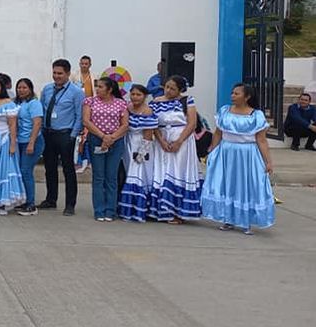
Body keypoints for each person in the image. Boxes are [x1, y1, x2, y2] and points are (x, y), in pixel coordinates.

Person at [201, 83, 276, 235]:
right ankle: (227, 218)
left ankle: (245, 221)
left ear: (247, 97)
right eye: (232, 93)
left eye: (237, 94)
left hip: (247, 155)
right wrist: (212, 151)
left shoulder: (256, 115)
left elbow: (261, 140)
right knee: (227, 184)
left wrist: (268, 161)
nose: (233, 96)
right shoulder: (225, 111)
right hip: (226, 152)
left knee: (245, 186)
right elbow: (218, 134)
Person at [149, 75, 201, 224]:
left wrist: (179, 141)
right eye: (167, 87)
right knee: (162, 172)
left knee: (178, 171)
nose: (168, 91)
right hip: (162, 140)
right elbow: (153, 123)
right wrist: (161, 140)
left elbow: (192, 123)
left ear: (180, 89)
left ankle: (178, 211)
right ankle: (162, 209)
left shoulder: (187, 101)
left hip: (182, 140)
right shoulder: (155, 102)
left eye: (172, 88)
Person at [39, 59, 85, 216]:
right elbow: (42, 110)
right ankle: (51, 199)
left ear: (68, 73)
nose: (56, 76)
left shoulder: (76, 92)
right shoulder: (47, 89)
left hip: (65, 134)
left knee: (68, 170)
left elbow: (79, 115)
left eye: (60, 73)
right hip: (48, 133)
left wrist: (73, 135)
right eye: (54, 73)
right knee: (49, 168)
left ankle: (70, 204)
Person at [82, 76, 129, 222]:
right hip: (97, 139)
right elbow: (86, 121)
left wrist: (111, 138)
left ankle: (110, 210)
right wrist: (103, 136)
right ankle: (99, 210)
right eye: (97, 86)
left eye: (101, 87)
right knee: (98, 176)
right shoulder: (90, 101)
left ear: (110, 89)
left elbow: (125, 124)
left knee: (111, 176)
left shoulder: (121, 103)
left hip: (116, 140)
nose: (97, 89)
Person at [0, 75, 26, 214]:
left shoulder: (8, 103)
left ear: (2, 88)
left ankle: (3, 203)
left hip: (4, 140)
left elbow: (13, 125)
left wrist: (12, 145)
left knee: (3, 172)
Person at [117, 84, 159, 222]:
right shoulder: (127, 107)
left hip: (140, 145)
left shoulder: (147, 111)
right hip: (127, 144)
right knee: (127, 173)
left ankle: (139, 209)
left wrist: (141, 154)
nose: (135, 97)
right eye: (133, 94)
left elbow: (148, 135)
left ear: (145, 96)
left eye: (138, 95)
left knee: (138, 174)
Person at [14, 78, 43, 216]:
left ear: (30, 89)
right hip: (19, 141)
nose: (21, 90)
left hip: (32, 141)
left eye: (24, 87)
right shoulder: (17, 103)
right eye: (19, 87)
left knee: (26, 171)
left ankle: (31, 204)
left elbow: (37, 124)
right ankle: (23, 200)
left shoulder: (34, 103)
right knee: (20, 171)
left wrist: (31, 143)